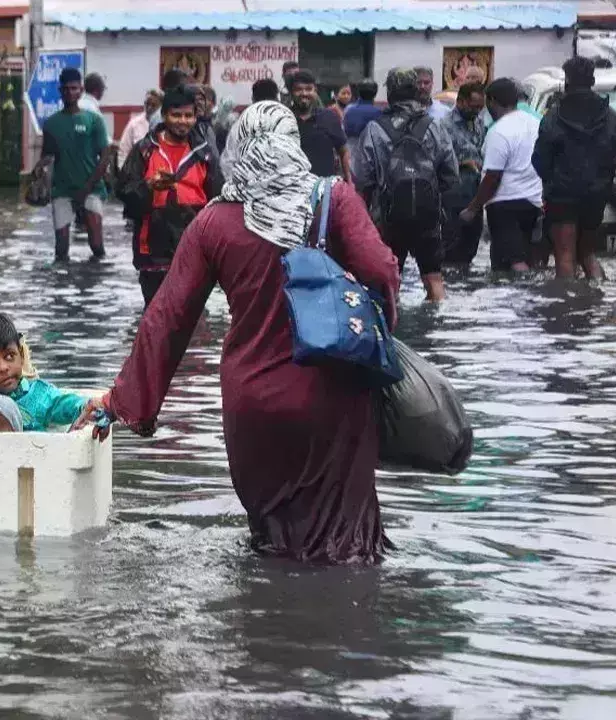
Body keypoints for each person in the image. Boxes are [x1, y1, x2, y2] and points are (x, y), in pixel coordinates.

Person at [76, 101, 401, 565]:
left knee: (271, 545)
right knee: (345, 550)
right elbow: (383, 272)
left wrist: (125, 402)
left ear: (239, 149)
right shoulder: (334, 199)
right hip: (333, 398)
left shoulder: (214, 220)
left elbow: (167, 318)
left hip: (253, 407)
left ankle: (266, 628)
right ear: (292, 144)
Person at [353, 67, 458, 301]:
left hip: (388, 218)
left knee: (390, 279)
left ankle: (393, 327)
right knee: (433, 278)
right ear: (416, 91)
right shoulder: (434, 126)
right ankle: (436, 327)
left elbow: (362, 179)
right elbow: (451, 174)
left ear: (389, 93)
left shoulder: (374, 129)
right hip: (427, 216)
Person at [118, 86, 223, 305]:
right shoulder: (144, 150)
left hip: (193, 249)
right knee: (155, 315)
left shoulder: (204, 154)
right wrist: (149, 186)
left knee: (188, 318)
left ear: (195, 117)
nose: (182, 121)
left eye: (188, 116)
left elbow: (218, 201)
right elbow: (123, 191)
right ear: (164, 116)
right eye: (176, 115)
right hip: (153, 250)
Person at [535, 57, 616, 280]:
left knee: (564, 256)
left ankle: (567, 308)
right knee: (589, 255)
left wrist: (552, 181)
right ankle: (598, 302)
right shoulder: (612, 118)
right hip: (596, 195)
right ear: (592, 80)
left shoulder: (554, 116)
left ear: (567, 82)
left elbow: (539, 160)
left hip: (562, 195)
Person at [460, 78, 544, 273]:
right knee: (520, 259)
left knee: (513, 262)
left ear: (491, 101)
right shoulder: (536, 123)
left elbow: (492, 177)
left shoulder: (498, 131)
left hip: (505, 206)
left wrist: (472, 208)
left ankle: (524, 296)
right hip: (534, 203)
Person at [39, 67, 112, 261]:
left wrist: (87, 187)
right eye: (66, 89)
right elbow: (46, 157)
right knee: (61, 250)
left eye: (74, 88)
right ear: (60, 90)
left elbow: (105, 156)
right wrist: (39, 179)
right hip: (62, 190)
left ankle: (96, 282)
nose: (70, 93)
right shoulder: (51, 124)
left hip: (92, 189)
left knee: (97, 247)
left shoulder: (94, 120)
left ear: (81, 90)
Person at [439, 81, 489, 267]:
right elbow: (435, 160)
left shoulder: (479, 123)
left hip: (476, 194)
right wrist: (461, 163)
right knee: (450, 248)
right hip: (452, 194)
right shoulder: (444, 125)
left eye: (480, 107)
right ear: (460, 102)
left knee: (471, 246)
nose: (476, 111)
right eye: (473, 106)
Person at [289, 70, 350, 180]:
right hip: (292, 189)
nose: (304, 93)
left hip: (323, 190)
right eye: (298, 89)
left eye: (308, 89)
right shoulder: (284, 118)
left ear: (315, 91)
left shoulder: (329, 117)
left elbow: (343, 151)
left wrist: (349, 181)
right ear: (291, 92)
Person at [118, 89, 163, 162]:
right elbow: (124, 150)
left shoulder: (166, 125)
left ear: (161, 106)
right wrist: (122, 170)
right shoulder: (134, 124)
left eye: (153, 105)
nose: (149, 108)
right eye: (147, 104)